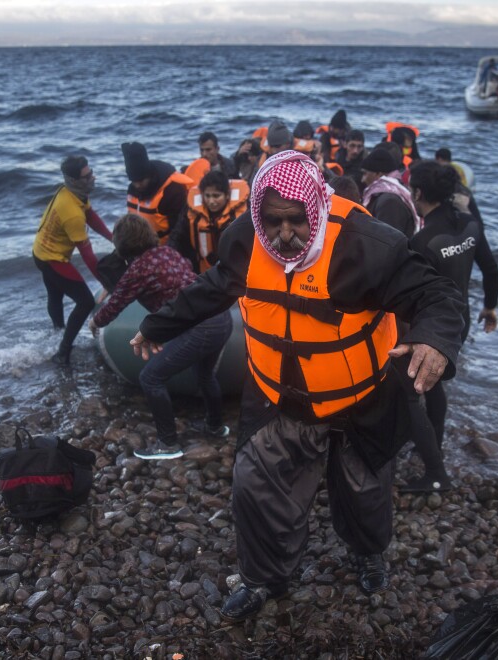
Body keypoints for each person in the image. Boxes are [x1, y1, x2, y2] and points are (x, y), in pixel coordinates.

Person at [130, 150, 464, 622]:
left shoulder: (368, 246)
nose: (284, 235)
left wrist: (434, 339)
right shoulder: (245, 240)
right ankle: (265, 578)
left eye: (297, 222)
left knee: (364, 490)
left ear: (317, 209)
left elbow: (436, 294)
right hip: (278, 399)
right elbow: (213, 288)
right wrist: (157, 326)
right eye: (273, 222)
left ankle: (368, 553)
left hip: (360, 400)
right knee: (256, 488)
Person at [89, 214, 233, 459]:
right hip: (222, 318)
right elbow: (184, 276)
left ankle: (168, 445)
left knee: (151, 378)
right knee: (205, 374)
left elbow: (116, 305)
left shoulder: (138, 269)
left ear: (122, 243)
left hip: (202, 328)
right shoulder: (168, 253)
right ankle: (215, 427)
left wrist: (95, 322)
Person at [400, 160, 498, 493]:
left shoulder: (423, 240)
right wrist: (490, 307)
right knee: (436, 385)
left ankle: (435, 472)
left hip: (429, 328)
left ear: (418, 193)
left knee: (410, 393)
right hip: (462, 320)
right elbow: (490, 269)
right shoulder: (470, 224)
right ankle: (433, 444)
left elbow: (409, 295)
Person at [32, 155, 112, 366]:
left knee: (55, 295)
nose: (92, 178)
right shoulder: (72, 213)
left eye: (91, 172)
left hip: (40, 251)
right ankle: (63, 352)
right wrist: (107, 282)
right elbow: (87, 256)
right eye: (87, 176)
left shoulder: (73, 194)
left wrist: (114, 239)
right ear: (75, 180)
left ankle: (58, 336)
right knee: (85, 302)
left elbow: (91, 215)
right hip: (51, 259)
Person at [169, 169, 249, 273]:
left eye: (216, 196)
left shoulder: (245, 213)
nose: (211, 201)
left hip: (235, 270)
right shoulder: (190, 211)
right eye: (207, 196)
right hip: (202, 269)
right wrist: (168, 254)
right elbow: (177, 236)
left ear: (227, 195)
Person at [122, 141, 193, 245]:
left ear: (149, 174)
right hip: (139, 247)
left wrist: (166, 253)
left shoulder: (172, 190)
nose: (137, 185)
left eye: (141, 180)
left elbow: (180, 231)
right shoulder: (132, 189)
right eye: (134, 181)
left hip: (167, 248)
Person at [360, 147, 420, 239]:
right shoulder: (393, 193)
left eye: (365, 174)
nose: (362, 179)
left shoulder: (389, 202)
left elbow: (386, 242)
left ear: (378, 174)